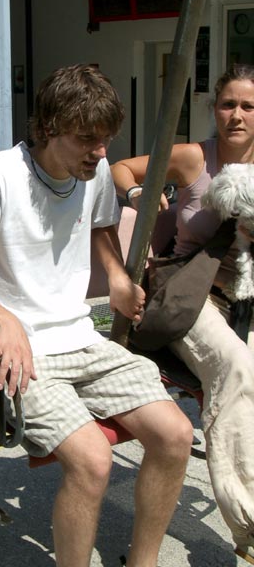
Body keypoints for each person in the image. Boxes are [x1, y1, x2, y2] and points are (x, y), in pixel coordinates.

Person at [0, 64, 192, 567]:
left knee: (176, 435)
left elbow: (100, 229)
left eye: (107, 140)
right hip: (15, 349)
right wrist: (6, 320)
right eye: (87, 139)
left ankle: (144, 562)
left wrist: (114, 275)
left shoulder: (89, 174)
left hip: (80, 339)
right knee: (93, 460)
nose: (100, 153)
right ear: (48, 127)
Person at [111, 63, 254, 565]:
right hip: (191, 296)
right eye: (227, 104)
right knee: (236, 368)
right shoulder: (196, 157)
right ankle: (249, 523)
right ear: (214, 108)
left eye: (248, 106)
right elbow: (122, 169)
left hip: (246, 295)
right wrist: (141, 199)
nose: (236, 115)